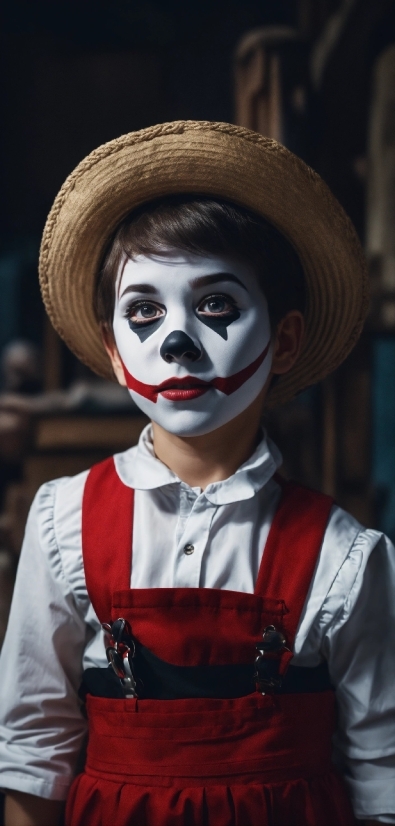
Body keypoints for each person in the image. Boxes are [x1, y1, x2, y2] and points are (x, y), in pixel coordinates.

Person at [0, 121, 394, 826]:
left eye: (215, 305)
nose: (176, 341)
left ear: (283, 340)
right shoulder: (63, 520)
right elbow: (32, 749)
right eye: (144, 312)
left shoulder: (345, 556)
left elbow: (381, 774)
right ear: (115, 353)